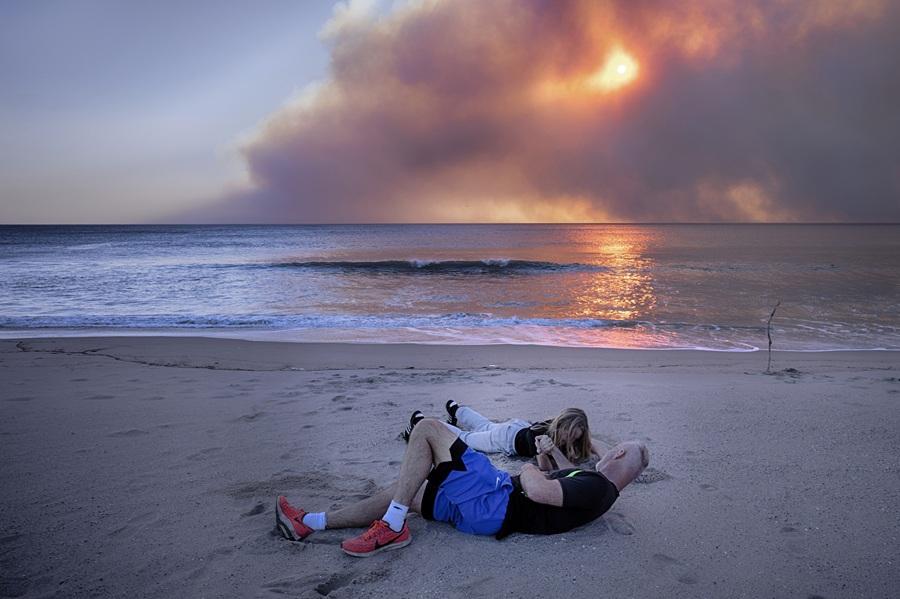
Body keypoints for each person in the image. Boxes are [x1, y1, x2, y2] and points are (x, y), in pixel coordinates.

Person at [276, 417, 649, 557]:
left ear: (615, 457)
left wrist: (533, 470)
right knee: (405, 494)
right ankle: (311, 522)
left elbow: (539, 491)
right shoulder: (599, 490)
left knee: (428, 430)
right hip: (487, 515)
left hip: (498, 499)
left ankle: (391, 527)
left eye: (613, 449)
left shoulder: (596, 487)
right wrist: (553, 462)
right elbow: (563, 481)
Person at [401, 402, 603, 471]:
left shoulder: (556, 428)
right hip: (506, 440)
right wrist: (550, 451)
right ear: (562, 426)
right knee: (466, 438)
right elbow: (545, 468)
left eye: (576, 437)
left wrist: (606, 456)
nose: (571, 440)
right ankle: (422, 423)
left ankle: (456, 409)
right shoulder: (544, 436)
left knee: (485, 424)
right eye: (570, 434)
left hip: (515, 427)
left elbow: (591, 444)